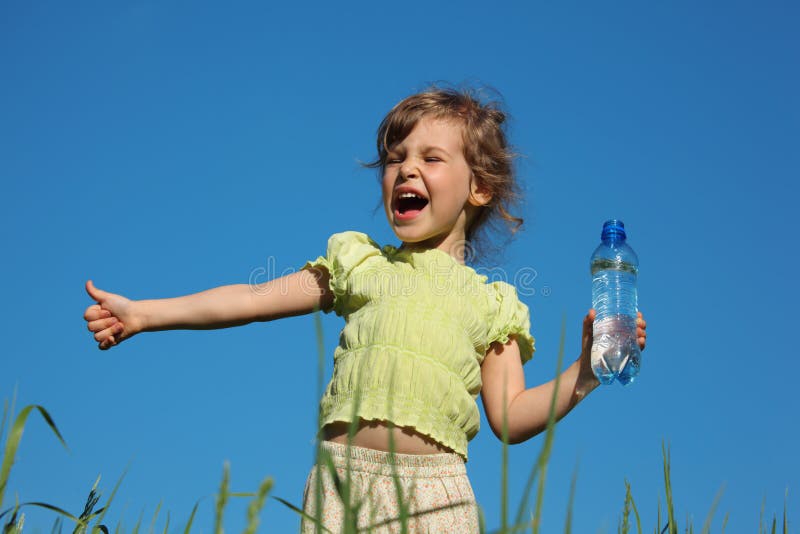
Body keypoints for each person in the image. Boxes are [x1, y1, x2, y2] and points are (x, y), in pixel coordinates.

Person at [84, 87, 647, 533]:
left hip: (441, 495)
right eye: (395, 158)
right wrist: (145, 313)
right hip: (342, 484)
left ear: (478, 188)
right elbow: (252, 300)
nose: (405, 169)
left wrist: (587, 371)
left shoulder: (493, 304)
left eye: (431, 157)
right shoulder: (361, 265)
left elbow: (511, 416)